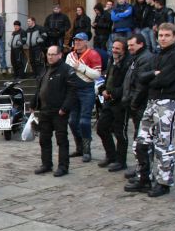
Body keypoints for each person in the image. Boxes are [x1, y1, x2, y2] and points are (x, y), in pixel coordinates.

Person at [125, 23, 175, 197]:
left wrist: (152, 76)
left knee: (163, 145)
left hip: (167, 102)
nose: (163, 38)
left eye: (167, 35)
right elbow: (141, 78)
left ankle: (163, 182)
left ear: (174, 36)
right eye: (160, 35)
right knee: (141, 142)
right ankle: (144, 178)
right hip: (151, 102)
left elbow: (163, 80)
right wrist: (154, 75)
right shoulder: (157, 55)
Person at [31, 46, 77, 177]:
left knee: (61, 139)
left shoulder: (66, 70)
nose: (50, 57)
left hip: (59, 111)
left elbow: (72, 91)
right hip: (44, 110)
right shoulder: (45, 69)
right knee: (44, 138)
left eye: (53, 54)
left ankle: (63, 166)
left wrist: (65, 108)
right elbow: (39, 88)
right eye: (48, 54)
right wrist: (34, 102)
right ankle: (46, 164)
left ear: (60, 55)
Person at [121, 33, 154, 180]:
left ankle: (145, 170)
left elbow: (141, 85)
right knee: (139, 138)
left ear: (140, 44)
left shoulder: (145, 58)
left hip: (141, 105)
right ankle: (141, 167)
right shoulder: (136, 58)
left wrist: (133, 103)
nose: (129, 48)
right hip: (135, 103)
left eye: (131, 45)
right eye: (128, 46)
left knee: (142, 140)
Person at [65, 33, 103, 162]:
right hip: (73, 90)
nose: (77, 42)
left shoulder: (93, 54)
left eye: (80, 40)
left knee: (84, 121)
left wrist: (80, 67)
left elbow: (97, 75)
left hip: (87, 89)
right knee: (72, 121)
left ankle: (87, 150)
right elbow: (66, 70)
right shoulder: (70, 55)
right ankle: (79, 147)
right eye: (75, 40)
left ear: (86, 42)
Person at [96, 38, 130, 172]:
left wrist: (113, 93)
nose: (114, 50)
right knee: (101, 128)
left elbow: (126, 85)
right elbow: (107, 78)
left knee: (120, 133)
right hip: (108, 102)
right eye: (113, 47)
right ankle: (111, 155)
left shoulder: (127, 64)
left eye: (117, 48)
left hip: (120, 103)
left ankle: (121, 161)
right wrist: (103, 89)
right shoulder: (111, 61)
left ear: (124, 50)